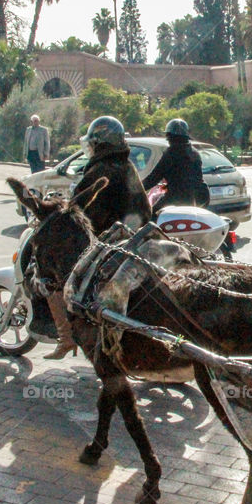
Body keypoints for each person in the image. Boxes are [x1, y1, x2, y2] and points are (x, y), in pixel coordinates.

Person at [43, 115, 152, 359]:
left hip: (111, 243)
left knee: (52, 277)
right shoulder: (126, 165)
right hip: (136, 239)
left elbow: (79, 210)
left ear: (99, 143)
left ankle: (66, 337)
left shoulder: (101, 169)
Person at [141, 118, 210, 215]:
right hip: (201, 197)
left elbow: (153, 178)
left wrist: (137, 189)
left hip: (179, 198)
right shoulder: (194, 152)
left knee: (150, 217)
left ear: (170, 137)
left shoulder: (171, 154)